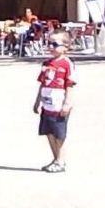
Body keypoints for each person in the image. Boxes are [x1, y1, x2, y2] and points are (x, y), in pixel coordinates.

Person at [33, 35, 75, 172]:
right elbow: (42, 83)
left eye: (55, 44)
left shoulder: (67, 63)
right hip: (47, 104)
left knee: (59, 133)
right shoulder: (46, 64)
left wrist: (67, 103)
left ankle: (61, 160)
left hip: (59, 103)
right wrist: (37, 101)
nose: (51, 47)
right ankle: (56, 158)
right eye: (49, 43)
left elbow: (70, 85)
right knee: (49, 132)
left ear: (65, 47)